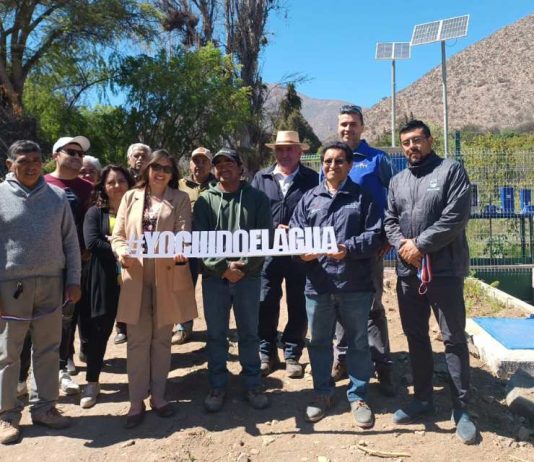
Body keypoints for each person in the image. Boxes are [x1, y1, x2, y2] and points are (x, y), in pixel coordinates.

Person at [384, 120, 476, 444]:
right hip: (409, 275)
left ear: (430, 140)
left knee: (453, 339)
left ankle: (461, 409)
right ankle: (422, 399)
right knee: (416, 337)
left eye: (417, 140)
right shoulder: (397, 181)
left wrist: (420, 244)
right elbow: (389, 220)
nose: (411, 147)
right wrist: (402, 245)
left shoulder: (451, 172)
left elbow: (456, 216)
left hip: (445, 272)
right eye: (406, 142)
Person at [290, 142, 383, 427]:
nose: (333, 166)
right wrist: (300, 251)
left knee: (357, 342)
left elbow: (375, 235)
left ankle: (358, 395)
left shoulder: (361, 198)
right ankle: (322, 393)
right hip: (318, 284)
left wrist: (348, 247)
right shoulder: (309, 198)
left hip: (354, 284)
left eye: (339, 161)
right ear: (322, 165)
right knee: (318, 342)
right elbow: (296, 231)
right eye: (328, 161)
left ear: (349, 165)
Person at [0, 140, 81, 444]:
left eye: (36, 159)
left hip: (51, 283)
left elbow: (70, 243)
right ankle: (6, 416)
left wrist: (73, 280)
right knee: (8, 353)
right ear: (11, 165)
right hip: (10, 287)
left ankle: (45, 408)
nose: (32, 165)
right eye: (23, 160)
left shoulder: (57, 197)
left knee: (48, 349)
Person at [111, 149, 197, 428]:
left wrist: (181, 247)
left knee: (161, 341)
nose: (161, 172)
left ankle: (158, 398)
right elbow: (118, 235)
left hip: (167, 275)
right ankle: (136, 401)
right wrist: (122, 251)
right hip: (136, 275)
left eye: (167, 168)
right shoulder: (130, 197)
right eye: (156, 166)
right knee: (137, 342)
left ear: (173, 174)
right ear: (147, 169)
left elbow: (184, 232)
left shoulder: (180, 198)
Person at [194, 148, 272, 413]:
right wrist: (222, 267)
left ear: (241, 168)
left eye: (230, 163)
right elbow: (199, 242)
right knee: (216, 334)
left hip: (248, 278)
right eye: (219, 164)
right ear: (214, 170)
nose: (224, 167)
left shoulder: (258, 199)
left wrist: (245, 266)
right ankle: (217, 385)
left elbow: (265, 239)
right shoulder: (205, 200)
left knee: (249, 333)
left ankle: (252, 383)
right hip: (214, 279)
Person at [329, 104, 395, 397]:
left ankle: (382, 364)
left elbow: (396, 198)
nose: (348, 129)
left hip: (371, 248)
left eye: (353, 124)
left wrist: (389, 236)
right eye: (344, 124)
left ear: (362, 127)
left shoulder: (377, 159)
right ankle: (341, 359)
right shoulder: (332, 160)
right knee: (339, 305)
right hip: (336, 250)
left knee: (373, 307)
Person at [251, 131, 318, 378]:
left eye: (290, 149)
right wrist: (271, 230)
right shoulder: (261, 178)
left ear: (300, 152)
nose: (285, 154)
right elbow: (251, 214)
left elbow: (318, 214)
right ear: (274, 152)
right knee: (265, 301)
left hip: (299, 255)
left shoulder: (312, 179)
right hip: (267, 254)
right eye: (280, 149)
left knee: (298, 303)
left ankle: (292, 354)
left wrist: (298, 231)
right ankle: (266, 353)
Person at [79, 165, 135, 409]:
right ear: (103, 186)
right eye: (111, 182)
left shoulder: (139, 210)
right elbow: (91, 242)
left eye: (121, 181)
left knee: (137, 331)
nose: (116, 186)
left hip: (135, 279)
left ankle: (139, 381)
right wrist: (119, 247)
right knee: (99, 331)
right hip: (103, 280)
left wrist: (116, 242)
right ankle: (92, 383)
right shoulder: (95, 212)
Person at [43, 136, 93, 395]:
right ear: (55, 155)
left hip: (78, 264)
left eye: (79, 153)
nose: (76, 156)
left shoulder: (88, 188)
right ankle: (21, 379)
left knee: (67, 319)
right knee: (37, 323)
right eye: (70, 152)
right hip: (45, 266)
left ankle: (62, 369)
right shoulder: (41, 184)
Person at [173, 146, 216, 345]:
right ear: (190, 163)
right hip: (186, 245)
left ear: (210, 165)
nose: (199, 165)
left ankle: (216, 328)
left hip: (212, 246)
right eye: (195, 160)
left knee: (214, 287)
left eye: (204, 161)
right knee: (184, 286)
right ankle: (183, 327)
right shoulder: (178, 185)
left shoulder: (218, 185)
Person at [113, 143, 152, 345]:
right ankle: (122, 327)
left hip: (150, 242)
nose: (140, 159)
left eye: (144, 155)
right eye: (136, 155)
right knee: (124, 285)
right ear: (129, 159)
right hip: (125, 238)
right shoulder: (123, 179)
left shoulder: (155, 178)